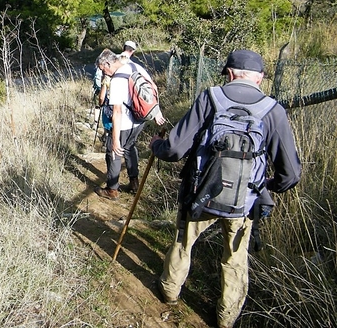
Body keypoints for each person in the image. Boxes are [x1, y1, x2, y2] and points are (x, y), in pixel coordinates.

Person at [149, 49, 301, 328]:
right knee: (234, 259)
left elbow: (173, 149)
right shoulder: (273, 111)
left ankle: (169, 291)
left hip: (200, 196)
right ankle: (226, 317)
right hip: (242, 203)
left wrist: (156, 146)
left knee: (183, 243)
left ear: (229, 74)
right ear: (261, 78)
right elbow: (290, 174)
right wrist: (264, 186)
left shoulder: (210, 98)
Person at [94, 48, 165, 200]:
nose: (104, 73)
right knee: (130, 147)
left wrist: (114, 140)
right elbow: (153, 87)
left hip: (124, 123)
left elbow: (117, 112)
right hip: (139, 121)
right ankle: (134, 182)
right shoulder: (135, 66)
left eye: (103, 69)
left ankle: (112, 190)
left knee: (114, 151)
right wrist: (156, 111)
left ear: (107, 63)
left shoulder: (117, 80)